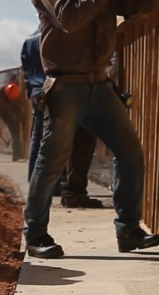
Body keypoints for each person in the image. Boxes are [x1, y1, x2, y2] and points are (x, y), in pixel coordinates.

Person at [25, 0, 159, 258]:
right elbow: (70, 18)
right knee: (52, 162)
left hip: (99, 84)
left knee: (130, 154)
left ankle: (129, 232)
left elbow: (140, 5)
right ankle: (35, 235)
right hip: (65, 86)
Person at [21, 29, 103, 208]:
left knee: (40, 139)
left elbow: (26, 71)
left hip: (37, 91)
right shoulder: (55, 35)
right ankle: (61, 185)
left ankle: (36, 183)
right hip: (55, 88)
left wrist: (32, 92)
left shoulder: (29, 41)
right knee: (65, 141)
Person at [0, 80, 27, 163]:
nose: (11, 101)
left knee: (15, 132)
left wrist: (18, 120)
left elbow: (19, 110)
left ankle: (17, 155)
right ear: (5, 93)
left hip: (6, 111)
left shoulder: (17, 95)